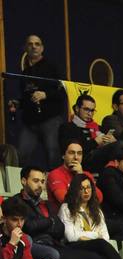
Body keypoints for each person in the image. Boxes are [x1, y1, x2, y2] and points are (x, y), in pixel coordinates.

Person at [58, 174, 123, 259]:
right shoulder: (66, 208)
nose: (86, 191)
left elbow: (105, 236)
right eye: (82, 188)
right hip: (74, 247)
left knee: (102, 258)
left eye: (88, 188)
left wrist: (86, 237)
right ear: (75, 190)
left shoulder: (97, 210)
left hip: (95, 247)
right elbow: (71, 237)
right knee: (101, 244)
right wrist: (95, 235)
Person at [16, 35, 65, 169]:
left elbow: (63, 92)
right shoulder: (25, 73)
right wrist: (17, 104)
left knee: (53, 154)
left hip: (50, 119)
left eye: (37, 44)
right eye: (30, 44)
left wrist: (45, 94)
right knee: (21, 155)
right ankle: (22, 186)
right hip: (30, 122)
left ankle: (56, 185)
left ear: (42, 48)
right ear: (26, 48)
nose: (34, 46)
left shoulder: (51, 67)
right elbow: (26, 98)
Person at [58, 93, 117, 173]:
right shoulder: (67, 127)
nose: (90, 114)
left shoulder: (98, 127)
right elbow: (71, 150)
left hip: (103, 164)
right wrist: (95, 142)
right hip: (83, 163)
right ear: (77, 108)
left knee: (122, 141)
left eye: (92, 110)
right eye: (86, 109)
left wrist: (113, 141)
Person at [46, 142, 103, 213]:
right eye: (71, 153)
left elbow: (99, 198)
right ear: (63, 155)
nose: (76, 157)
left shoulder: (85, 174)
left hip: (85, 216)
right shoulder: (55, 174)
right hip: (63, 218)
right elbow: (64, 200)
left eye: (79, 153)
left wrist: (81, 174)